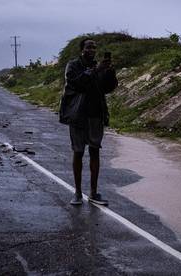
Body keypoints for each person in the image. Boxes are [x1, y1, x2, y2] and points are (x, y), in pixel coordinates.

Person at [60, 39, 118, 206]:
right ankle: (77, 193)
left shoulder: (98, 67)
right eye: (88, 47)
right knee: (78, 152)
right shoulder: (73, 65)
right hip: (78, 115)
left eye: (94, 47)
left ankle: (93, 193)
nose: (92, 49)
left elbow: (107, 88)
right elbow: (76, 83)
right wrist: (95, 70)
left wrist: (109, 73)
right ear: (82, 50)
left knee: (95, 152)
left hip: (95, 116)